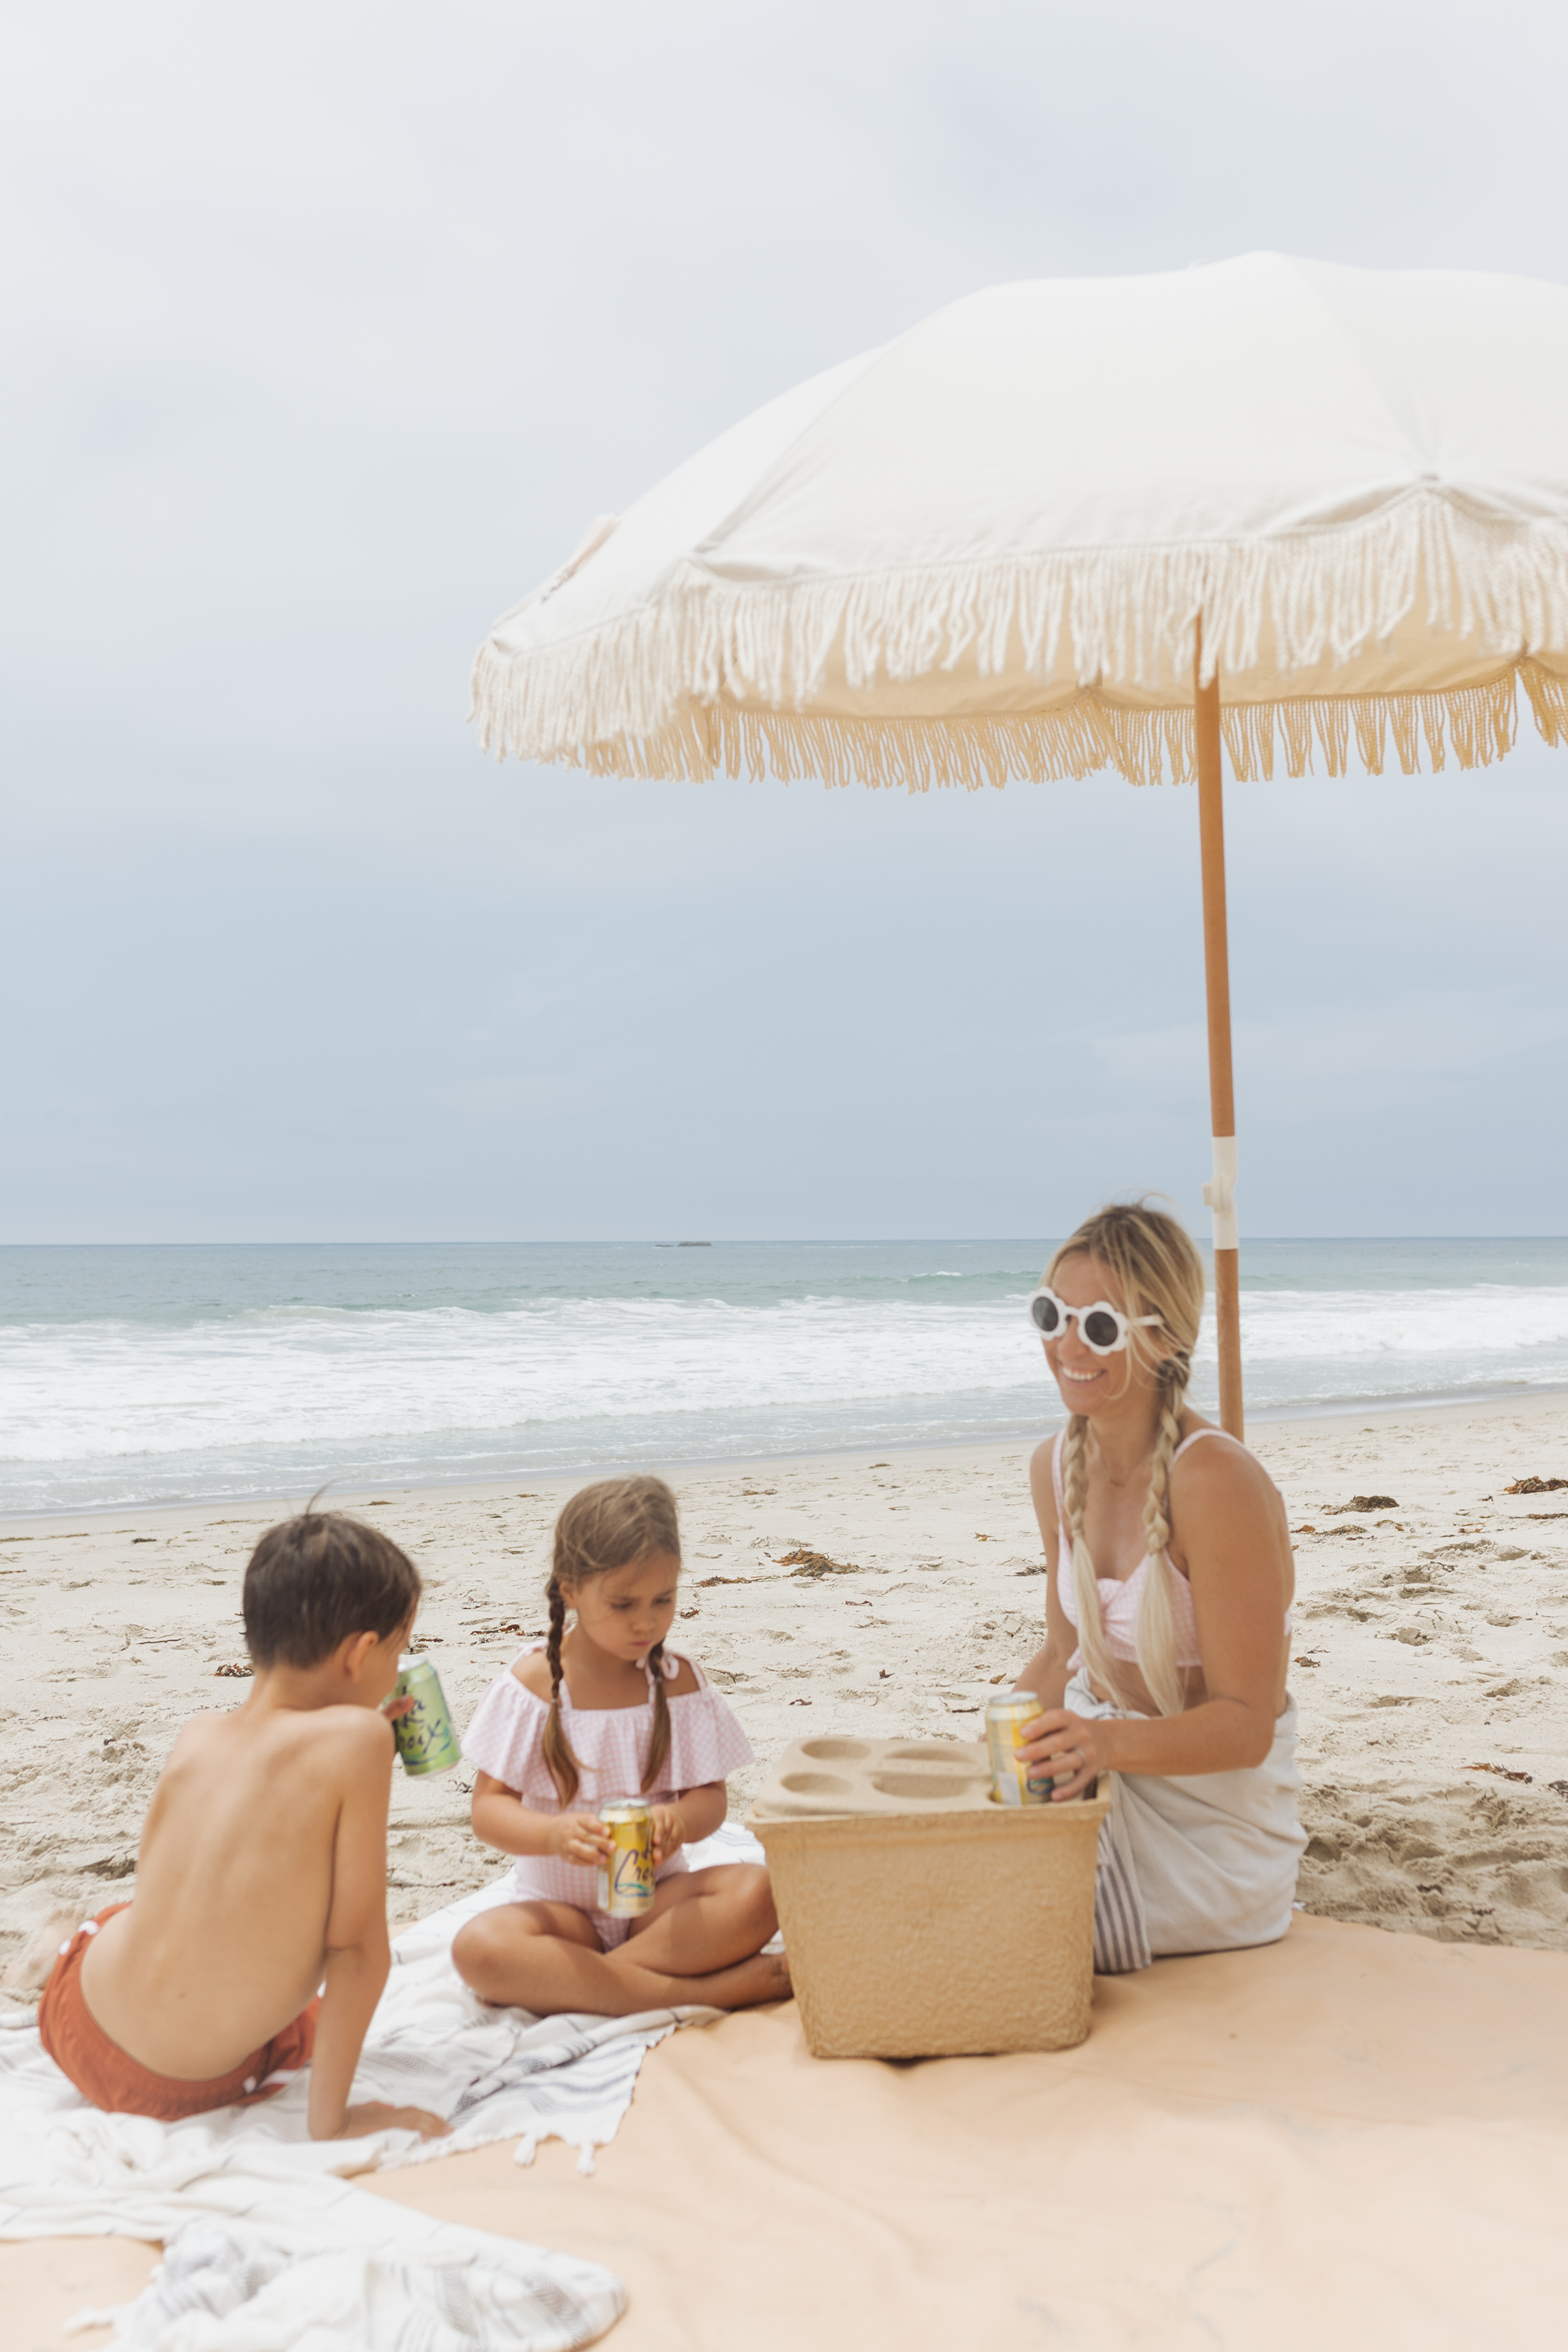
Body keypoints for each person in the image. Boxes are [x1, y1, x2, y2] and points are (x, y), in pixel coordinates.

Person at [38, 1512, 450, 2141]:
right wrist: (333, 2120)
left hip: (75, 2020)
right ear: (362, 1652)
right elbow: (358, 1952)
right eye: (396, 1653)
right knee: (301, 2023)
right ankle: (60, 1943)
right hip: (176, 2087)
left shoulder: (199, 1733)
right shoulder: (362, 1738)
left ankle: (54, 1948)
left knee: (141, 1911)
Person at [1011, 1202, 1306, 1972]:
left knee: (1002, 1921)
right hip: (1097, 1767)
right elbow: (1061, 1652)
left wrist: (1100, 1744)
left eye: (1099, 1326)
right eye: (1052, 1315)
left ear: (1164, 1338)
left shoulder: (1213, 1481)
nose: (1066, 1346)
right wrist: (989, 1739)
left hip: (1210, 1831)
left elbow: (1246, 1725)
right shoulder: (1052, 1467)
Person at [452, 1473, 789, 2016]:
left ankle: (590, 1985)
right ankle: (707, 1992)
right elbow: (489, 1812)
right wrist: (554, 1833)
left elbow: (710, 1799)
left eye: (663, 1599)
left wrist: (679, 1822)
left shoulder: (677, 1683)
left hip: (656, 1908)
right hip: (559, 1913)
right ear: (570, 1591)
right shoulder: (534, 1684)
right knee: (478, 1950)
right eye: (623, 1603)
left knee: (763, 1892)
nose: (647, 1621)